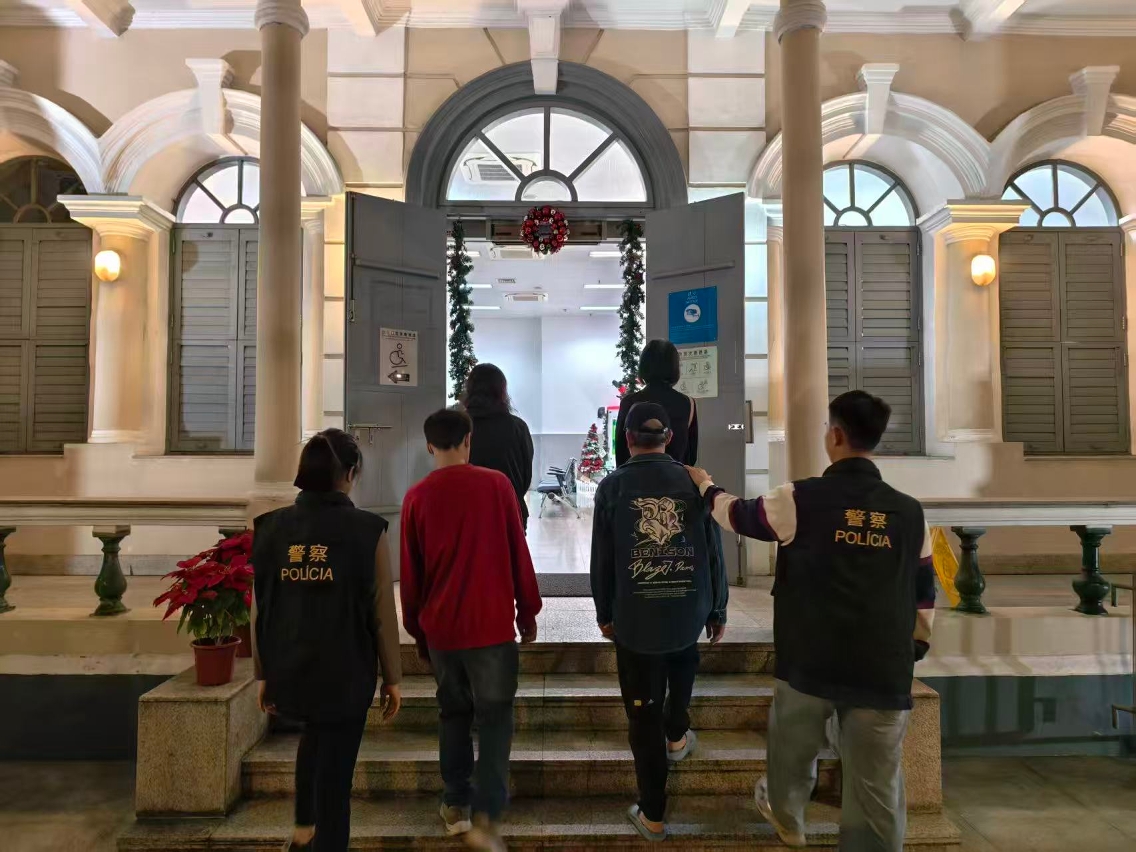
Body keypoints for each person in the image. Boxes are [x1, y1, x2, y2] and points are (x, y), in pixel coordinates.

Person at [686, 390, 935, 852]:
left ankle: (788, 820)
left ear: (835, 435)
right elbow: (923, 591)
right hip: (883, 667)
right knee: (877, 788)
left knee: (791, 752)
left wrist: (706, 486)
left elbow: (738, 515)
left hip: (809, 658)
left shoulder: (799, 498)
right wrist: (914, 647)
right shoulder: (910, 512)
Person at [251, 429, 403, 852]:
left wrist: (263, 672)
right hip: (347, 671)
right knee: (336, 775)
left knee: (315, 737)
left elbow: (260, 606)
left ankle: (304, 825)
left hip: (290, 665)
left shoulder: (270, 527)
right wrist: (392, 676)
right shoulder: (367, 530)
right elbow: (381, 610)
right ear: (350, 473)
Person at [400, 408, 543, 852]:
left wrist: (418, 632)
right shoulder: (497, 486)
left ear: (429, 445)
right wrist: (527, 611)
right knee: (496, 718)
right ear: (468, 440)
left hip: (443, 631)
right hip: (491, 629)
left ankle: (456, 803)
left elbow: (411, 576)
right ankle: (487, 814)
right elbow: (517, 552)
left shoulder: (416, 498)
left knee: (453, 713)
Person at [590, 402, 728, 842]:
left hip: (636, 621)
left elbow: (602, 559)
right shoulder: (694, 482)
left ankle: (653, 814)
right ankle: (677, 735)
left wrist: (604, 612)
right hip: (688, 613)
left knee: (642, 716)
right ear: (669, 438)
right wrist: (718, 608)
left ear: (627, 438)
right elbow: (713, 549)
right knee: (683, 669)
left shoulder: (613, 486)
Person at [462, 363, 535, 529]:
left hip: (469, 516)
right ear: (502, 390)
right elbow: (525, 476)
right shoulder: (518, 427)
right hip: (510, 513)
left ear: (470, 389)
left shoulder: (460, 426)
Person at [614, 340, 698, 468]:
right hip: (675, 477)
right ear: (674, 367)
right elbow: (691, 455)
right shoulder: (687, 403)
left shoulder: (628, 402)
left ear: (644, 366)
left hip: (634, 477)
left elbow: (620, 453)